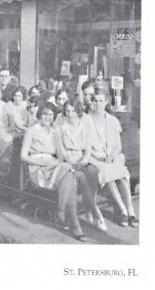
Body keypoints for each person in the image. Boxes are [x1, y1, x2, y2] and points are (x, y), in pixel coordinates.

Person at [20, 102, 87, 241]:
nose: (48, 117)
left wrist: (54, 164)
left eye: (51, 114)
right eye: (45, 114)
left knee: (69, 173)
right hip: (37, 167)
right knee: (72, 179)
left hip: (52, 165)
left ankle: (62, 209)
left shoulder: (55, 131)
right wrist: (40, 162)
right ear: (40, 114)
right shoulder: (32, 130)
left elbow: (61, 157)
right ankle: (75, 225)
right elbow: (23, 156)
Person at [86, 88, 138, 228]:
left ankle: (131, 211)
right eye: (95, 100)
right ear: (92, 102)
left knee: (121, 174)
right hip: (96, 158)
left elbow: (118, 146)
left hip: (113, 156)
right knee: (108, 173)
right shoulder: (86, 120)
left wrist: (112, 156)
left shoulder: (112, 120)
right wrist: (99, 156)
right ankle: (123, 211)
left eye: (101, 101)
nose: (98, 104)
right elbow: (85, 146)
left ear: (106, 101)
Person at [56, 97, 107, 232]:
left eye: (73, 111)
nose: (69, 113)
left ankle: (93, 213)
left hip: (82, 159)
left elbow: (88, 151)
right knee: (82, 179)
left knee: (90, 173)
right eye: (67, 111)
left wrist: (82, 161)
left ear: (78, 111)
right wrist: (72, 163)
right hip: (67, 162)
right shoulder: (60, 128)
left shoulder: (85, 128)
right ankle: (96, 213)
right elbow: (62, 153)